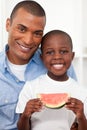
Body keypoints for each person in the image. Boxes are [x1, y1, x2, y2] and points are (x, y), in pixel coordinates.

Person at [0, 0, 77, 130]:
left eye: (37, 33)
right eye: (22, 29)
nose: (28, 40)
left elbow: (76, 113)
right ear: (8, 24)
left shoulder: (58, 63)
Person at [16, 30, 87, 130]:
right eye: (49, 52)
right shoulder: (31, 87)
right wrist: (25, 115)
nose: (57, 57)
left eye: (63, 51)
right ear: (42, 57)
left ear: (72, 56)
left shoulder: (82, 92)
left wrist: (81, 117)